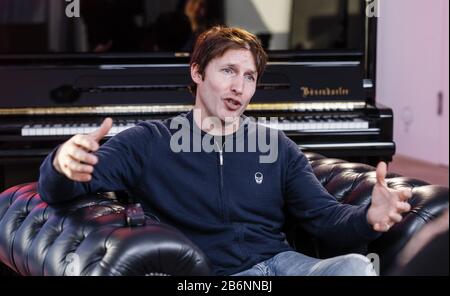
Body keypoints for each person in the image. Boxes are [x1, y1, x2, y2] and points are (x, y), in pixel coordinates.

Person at [38, 26, 412, 276]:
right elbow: (59, 190)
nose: (239, 87)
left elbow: (326, 218)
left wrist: (368, 217)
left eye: (249, 77)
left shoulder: (276, 146)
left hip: (284, 264)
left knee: (356, 267)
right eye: (228, 71)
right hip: (213, 276)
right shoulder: (147, 141)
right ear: (197, 73)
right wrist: (61, 163)